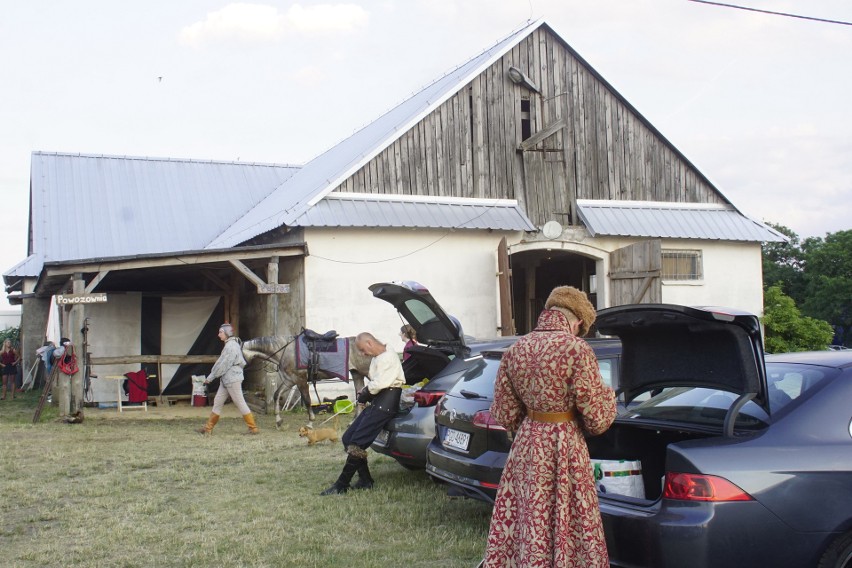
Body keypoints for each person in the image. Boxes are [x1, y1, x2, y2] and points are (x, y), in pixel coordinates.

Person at [482, 286, 617, 567]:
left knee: (530, 516)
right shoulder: (577, 349)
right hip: (565, 443)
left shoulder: (516, 349)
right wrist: (609, 397)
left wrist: (532, 421)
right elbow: (597, 418)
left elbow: (505, 414)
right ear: (577, 321)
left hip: (528, 445)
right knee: (571, 515)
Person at [320, 332, 405, 495]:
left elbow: (380, 383)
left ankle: (341, 485)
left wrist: (365, 393)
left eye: (362, 350)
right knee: (347, 438)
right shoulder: (380, 354)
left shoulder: (388, 357)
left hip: (386, 404)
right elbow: (377, 384)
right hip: (378, 402)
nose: (363, 354)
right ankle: (366, 480)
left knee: (357, 443)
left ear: (370, 343)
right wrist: (366, 395)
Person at [196, 323, 259, 435]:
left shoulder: (231, 346)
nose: (219, 334)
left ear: (227, 333)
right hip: (226, 379)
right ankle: (208, 429)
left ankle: (253, 428)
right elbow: (221, 363)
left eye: (221, 332)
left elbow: (224, 364)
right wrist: (212, 376)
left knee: (240, 403)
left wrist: (211, 377)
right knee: (218, 402)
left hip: (232, 379)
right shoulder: (229, 345)